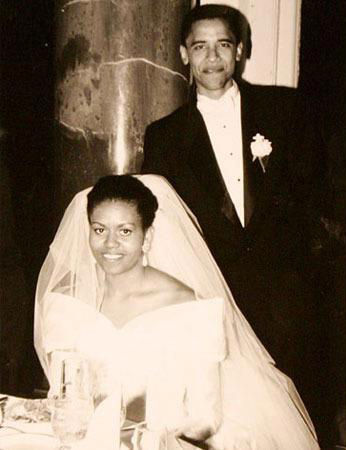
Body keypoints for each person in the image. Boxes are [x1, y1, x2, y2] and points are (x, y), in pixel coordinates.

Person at [142, 3, 324, 437]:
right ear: (184, 54)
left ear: (239, 50)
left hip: (286, 290)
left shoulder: (285, 109)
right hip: (214, 294)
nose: (212, 58)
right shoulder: (164, 135)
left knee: (292, 413)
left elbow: (313, 192)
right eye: (199, 47)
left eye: (222, 45)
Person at [35, 174, 319, 449]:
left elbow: (205, 418)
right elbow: (63, 398)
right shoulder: (69, 302)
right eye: (100, 230)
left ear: (147, 237)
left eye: (125, 231)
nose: (110, 243)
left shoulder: (186, 306)